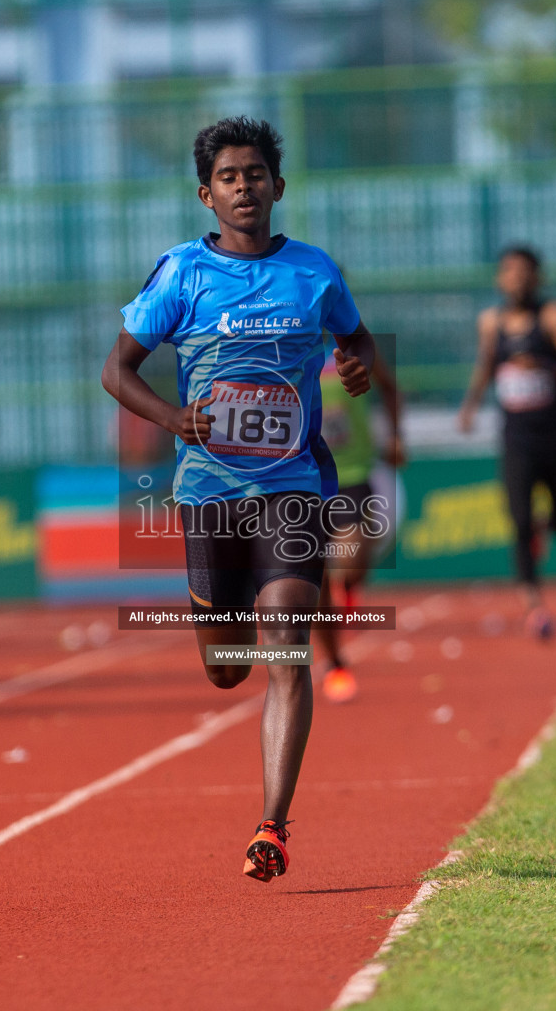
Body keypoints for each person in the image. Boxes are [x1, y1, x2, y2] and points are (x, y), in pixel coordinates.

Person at [101, 116, 377, 882]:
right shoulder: (181, 275)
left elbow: (360, 340)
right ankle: (227, 654)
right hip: (210, 494)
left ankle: (272, 827)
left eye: (256, 174)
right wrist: (171, 417)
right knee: (227, 668)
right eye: (229, 176)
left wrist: (355, 365)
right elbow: (117, 370)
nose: (245, 186)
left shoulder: (315, 272)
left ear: (278, 187)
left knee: (284, 652)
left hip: (293, 491)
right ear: (206, 194)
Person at [458, 245, 556, 639]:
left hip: (555, 434)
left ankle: (549, 523)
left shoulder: (553, 317)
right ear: (500, 278)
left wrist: (545, 366)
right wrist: (470, 406)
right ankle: (534, 604)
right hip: (515, 437)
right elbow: (486, 364)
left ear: (537, 278)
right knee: (518, 520)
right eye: (508, 271)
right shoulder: (490, 321)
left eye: (523, 272)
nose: (515, 279)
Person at [313, 346, 403, 703]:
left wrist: (396, 436)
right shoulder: (276, 353)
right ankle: (334, 661)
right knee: (313, 577)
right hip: (303, 478)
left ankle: (347, 591)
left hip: (351, 473)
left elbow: (391, 388)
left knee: (350, 562)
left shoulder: (353, 350)